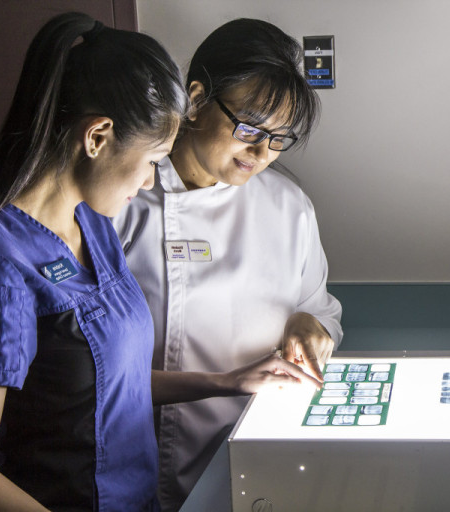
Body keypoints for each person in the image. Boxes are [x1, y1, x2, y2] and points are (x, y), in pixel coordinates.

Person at [0, 12, 318, 512]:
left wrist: (228, 381)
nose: (148, 184)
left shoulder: (93, 230)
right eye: (150, 162)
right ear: (97, 137)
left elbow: (113, 380)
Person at [112, 18, 343, 510]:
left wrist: (310, 325)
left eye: (280, 139)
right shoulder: (126, 198)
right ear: (195, 99)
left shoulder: (288, 207)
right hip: (133, 456)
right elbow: (84, 362)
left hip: (256, 446)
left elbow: (320, 310)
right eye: (249, 129)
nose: (262, 153)